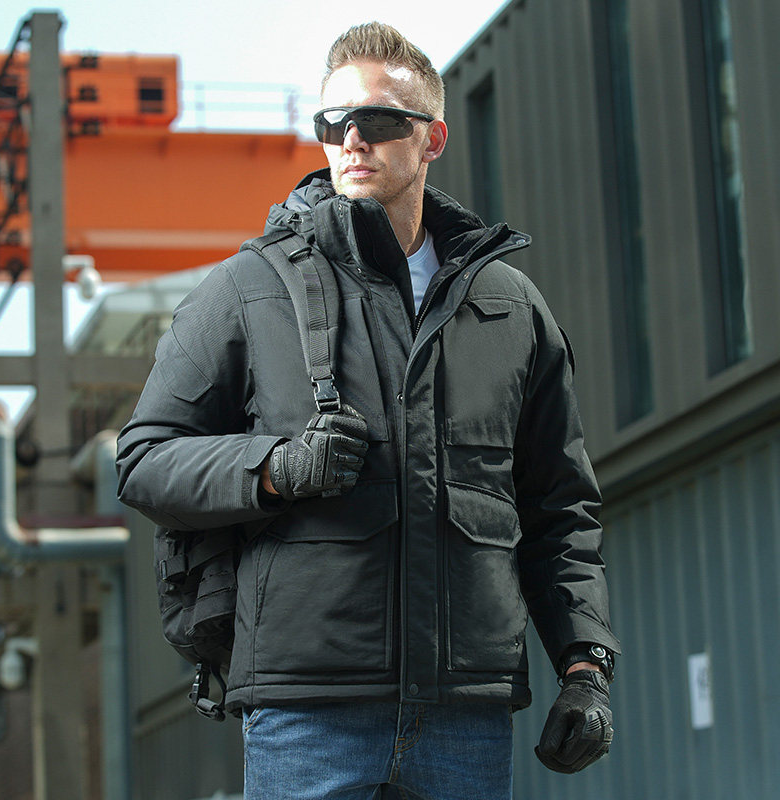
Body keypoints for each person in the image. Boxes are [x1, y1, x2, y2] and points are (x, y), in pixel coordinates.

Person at [116, 21, 620, 800]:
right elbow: (145, 459)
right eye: (334, 123)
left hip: (465, 717)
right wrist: (276, 468)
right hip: (307, 715)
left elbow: (560, 509)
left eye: (378, 120)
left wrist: (585, 666)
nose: (352, 139)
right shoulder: (250, 288)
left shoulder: (510, 307)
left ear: (432, 139)